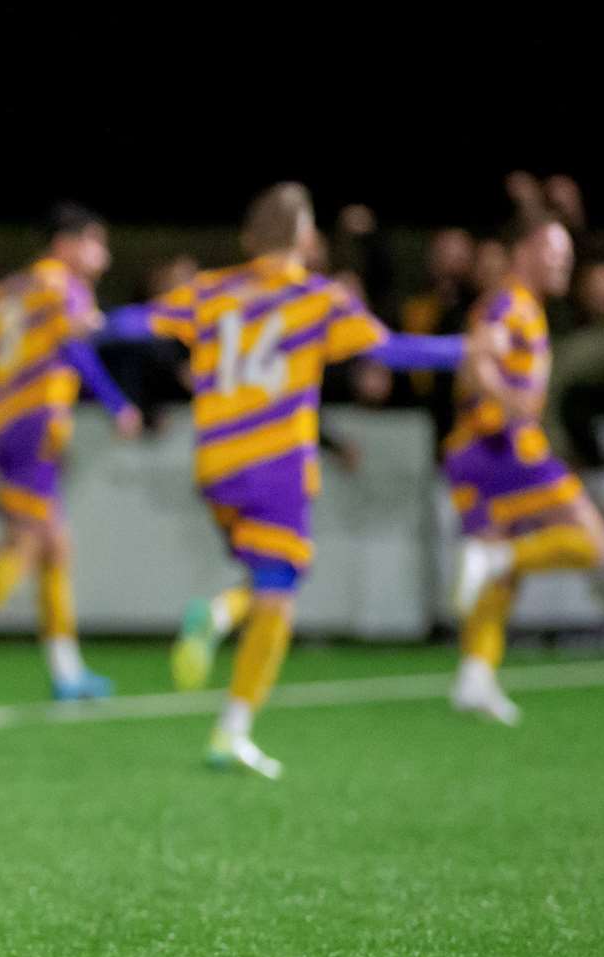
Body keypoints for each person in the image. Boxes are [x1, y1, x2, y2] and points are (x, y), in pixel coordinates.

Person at [98, 182, 502, 778]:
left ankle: (229, 728)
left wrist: (93, 321)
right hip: (276, 464)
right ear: (307, 239)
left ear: (248, 239)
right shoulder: (318, 298)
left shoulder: (210, 290)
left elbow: (138, 323)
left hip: (215, 466)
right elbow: (389, 353)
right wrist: (460, 349)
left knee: (270, 581)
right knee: (277, 591)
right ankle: (219, 631)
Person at [0, 203, 143, 703]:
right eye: (95, 242)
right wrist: (116, 404)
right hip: (36, 424)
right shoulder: (62, 285)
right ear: (66, 243)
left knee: (53, 546)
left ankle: (66, 671)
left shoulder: (4, 290)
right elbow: (76, 347)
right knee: (24, 544)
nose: (102, 256)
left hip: (8, 426)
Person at [445, 211, 604, 724]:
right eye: (554, 252)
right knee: (593, 543)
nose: (563, 262)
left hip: (475, 452)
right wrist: (510, 400)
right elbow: (477, 362)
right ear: (524, 252)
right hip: (503, 447)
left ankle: (475, 675)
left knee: (505, 575)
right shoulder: (510, 302)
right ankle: (492, 561)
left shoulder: (522, 304)